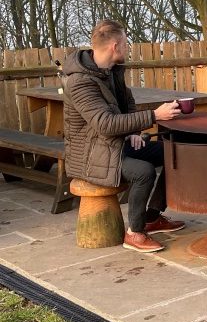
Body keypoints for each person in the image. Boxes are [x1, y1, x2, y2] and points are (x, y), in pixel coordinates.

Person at [62, 19, 185, 253]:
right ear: (115, 46)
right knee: (143, 172)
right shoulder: (80, 82)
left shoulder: (110, 72)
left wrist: (133, 132)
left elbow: (127, 103)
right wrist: (155, 115)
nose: (128, 48)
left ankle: (151, 217)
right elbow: (105, 124)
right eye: (127, 43)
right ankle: (135, 233)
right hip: (92, 155)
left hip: (115, 144)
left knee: (174, 153)